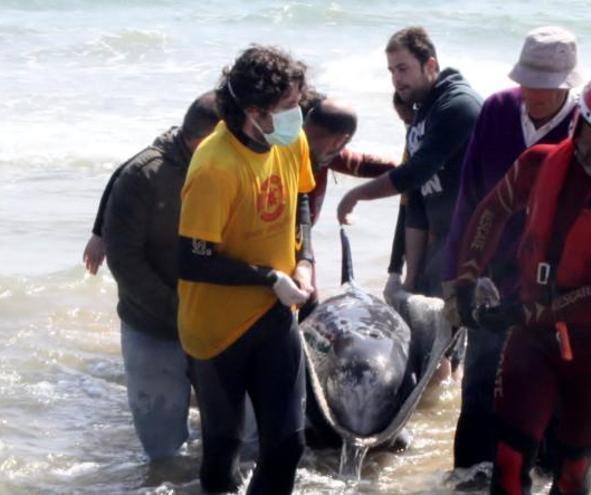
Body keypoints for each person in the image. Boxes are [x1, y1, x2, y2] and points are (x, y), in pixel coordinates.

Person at [453, 71, 591, 494]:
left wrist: (520, 311)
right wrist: (466, 279)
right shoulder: (538, 163)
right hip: (532, 339)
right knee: (509, 459)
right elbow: (491, 212)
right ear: (579, 122)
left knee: (572, 471)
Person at [441, 26, 585, 471]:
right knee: (481, 381)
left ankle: (540, 472)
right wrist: (457, 274)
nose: (533, 95)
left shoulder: (586, 127)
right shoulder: (498, 109)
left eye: (545, 88)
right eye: (528, 83)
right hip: (490, 273)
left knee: (550, 387)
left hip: (555, 284)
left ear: (567, 85)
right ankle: (468, 473)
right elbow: (471, 194)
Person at [177, 45, 314, 494]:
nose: (299, 115)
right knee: (224, 445)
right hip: (216, 330)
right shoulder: (215, 166)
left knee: (289, 442)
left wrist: (305, 260)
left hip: (275, 314)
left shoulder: (289, 139)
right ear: (254, 112)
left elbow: (301, 199)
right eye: (290, 107)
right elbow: (192, 258)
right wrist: (269, 277)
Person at [100, 92, 218, 460]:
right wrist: (178, 311)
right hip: (153, 325)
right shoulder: (144, 175)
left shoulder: (232, 169)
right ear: (204, 139)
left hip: (216, 325)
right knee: (164, 454)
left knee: (237, 444)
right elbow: (123, 261)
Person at [336, 26, 482, 297]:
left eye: (403, 69)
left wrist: (357, 194)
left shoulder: (459, 105)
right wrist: (407, 275)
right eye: (391, 71)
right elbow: (415, 197)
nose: (396, 79)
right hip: (438, 243)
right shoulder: (422, 111)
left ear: (430, 65)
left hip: (470, 244)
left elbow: (415, 173)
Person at [297, 96, 398, 318]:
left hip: (302, 242)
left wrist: (415, 170)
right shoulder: (286, 152)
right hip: (276, 245)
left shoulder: (327, 153)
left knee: (310, 305)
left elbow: (365, 164)